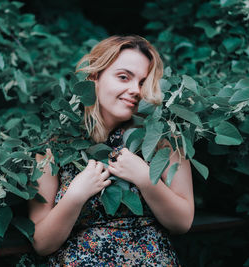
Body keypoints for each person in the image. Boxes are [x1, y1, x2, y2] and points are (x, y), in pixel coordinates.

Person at [29, 35, 194, 266]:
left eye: (142, 83)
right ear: (95, 77)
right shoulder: (55, 146)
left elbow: (182, 222)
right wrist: (75, 196)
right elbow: (42, 244)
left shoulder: (163, 139)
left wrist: (146, 179)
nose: (135, 90)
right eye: (123, 77)